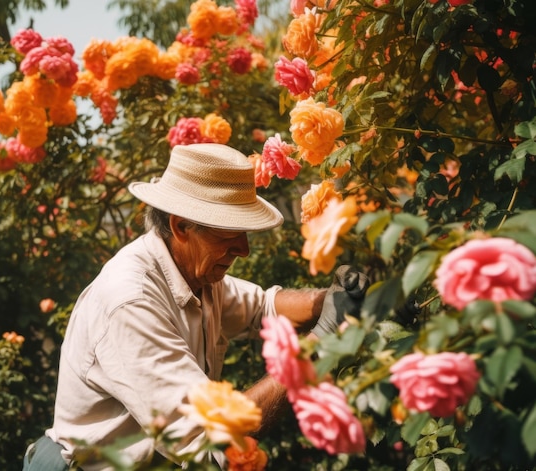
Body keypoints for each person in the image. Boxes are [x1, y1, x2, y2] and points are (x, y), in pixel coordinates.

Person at [22, 143, 368, 471]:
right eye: (230, 232)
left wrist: (330, 299)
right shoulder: (131, 301)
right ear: (181, 226)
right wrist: (318, 345)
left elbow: (264, 306)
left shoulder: (196, 275)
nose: (244, 249)